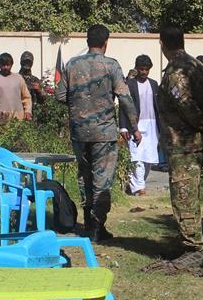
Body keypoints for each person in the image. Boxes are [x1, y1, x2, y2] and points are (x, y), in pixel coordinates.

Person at [55, 24, 141, 241]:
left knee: (85, 177)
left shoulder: (72, 65)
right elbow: (125, 98)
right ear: (105, 42)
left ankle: (88, 222)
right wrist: (134, 127)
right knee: (102, 181)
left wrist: (80, 103)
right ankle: (96, 226)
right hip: (104, 133)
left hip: (79, 131)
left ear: (87, 41)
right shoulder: (111, 65)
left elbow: (59, 95)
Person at [157, 28, 203, 270]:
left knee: (184, 196)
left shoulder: (176, 70)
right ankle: (188, 241)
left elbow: (185, 103)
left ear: (163, 44)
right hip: (192, 142)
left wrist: (201, 124)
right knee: (188, 194)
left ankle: (193, 249)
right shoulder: (197, 66)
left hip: (183, 143)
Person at [120, 54, 160, 196]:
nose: (144, 72)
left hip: (152, 124)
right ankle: (139, 188)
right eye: (141, 69)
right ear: (136, 68)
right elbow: (124, 106)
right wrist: (124, 126)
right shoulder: (129, 84)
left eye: (146, 69)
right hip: (135, 125)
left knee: (149, 158)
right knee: (137, 157)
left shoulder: (154, 84)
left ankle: (136, 184)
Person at [0, 52, 32, 121]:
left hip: (17, 119)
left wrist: (28, 111)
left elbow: (26, 97)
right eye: (3, 65)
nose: (5, 67)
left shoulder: (18, 78)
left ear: (12, 64)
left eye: (8, 65)